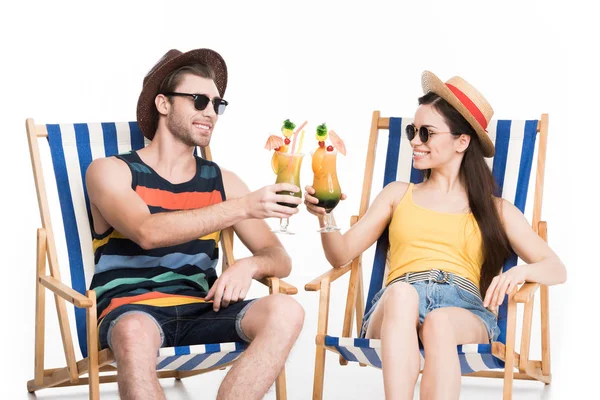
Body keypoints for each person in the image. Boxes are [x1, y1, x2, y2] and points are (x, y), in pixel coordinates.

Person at [303, 71, 566, 399]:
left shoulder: (495, 209)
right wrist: (326, 216)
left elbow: (556, 268)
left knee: (439, 322)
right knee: (402, 294)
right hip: (396, 309)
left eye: (426, 133)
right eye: (413, 131)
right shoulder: (397, 194)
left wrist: (522, 271)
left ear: (462, 141)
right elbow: (341, 254)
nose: (414, 141)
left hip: (463, 310)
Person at [85, 48, 304, 400]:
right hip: (133, 311)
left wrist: (249, 265)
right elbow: (147, 232)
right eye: (199, 100)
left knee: (286, 310)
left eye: (216, 105)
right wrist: (242, 208)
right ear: (163, 104)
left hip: (203, 308)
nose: (210, 113)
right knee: (132, 332)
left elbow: (280, 258)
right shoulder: (110, 171)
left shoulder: (223, 182)